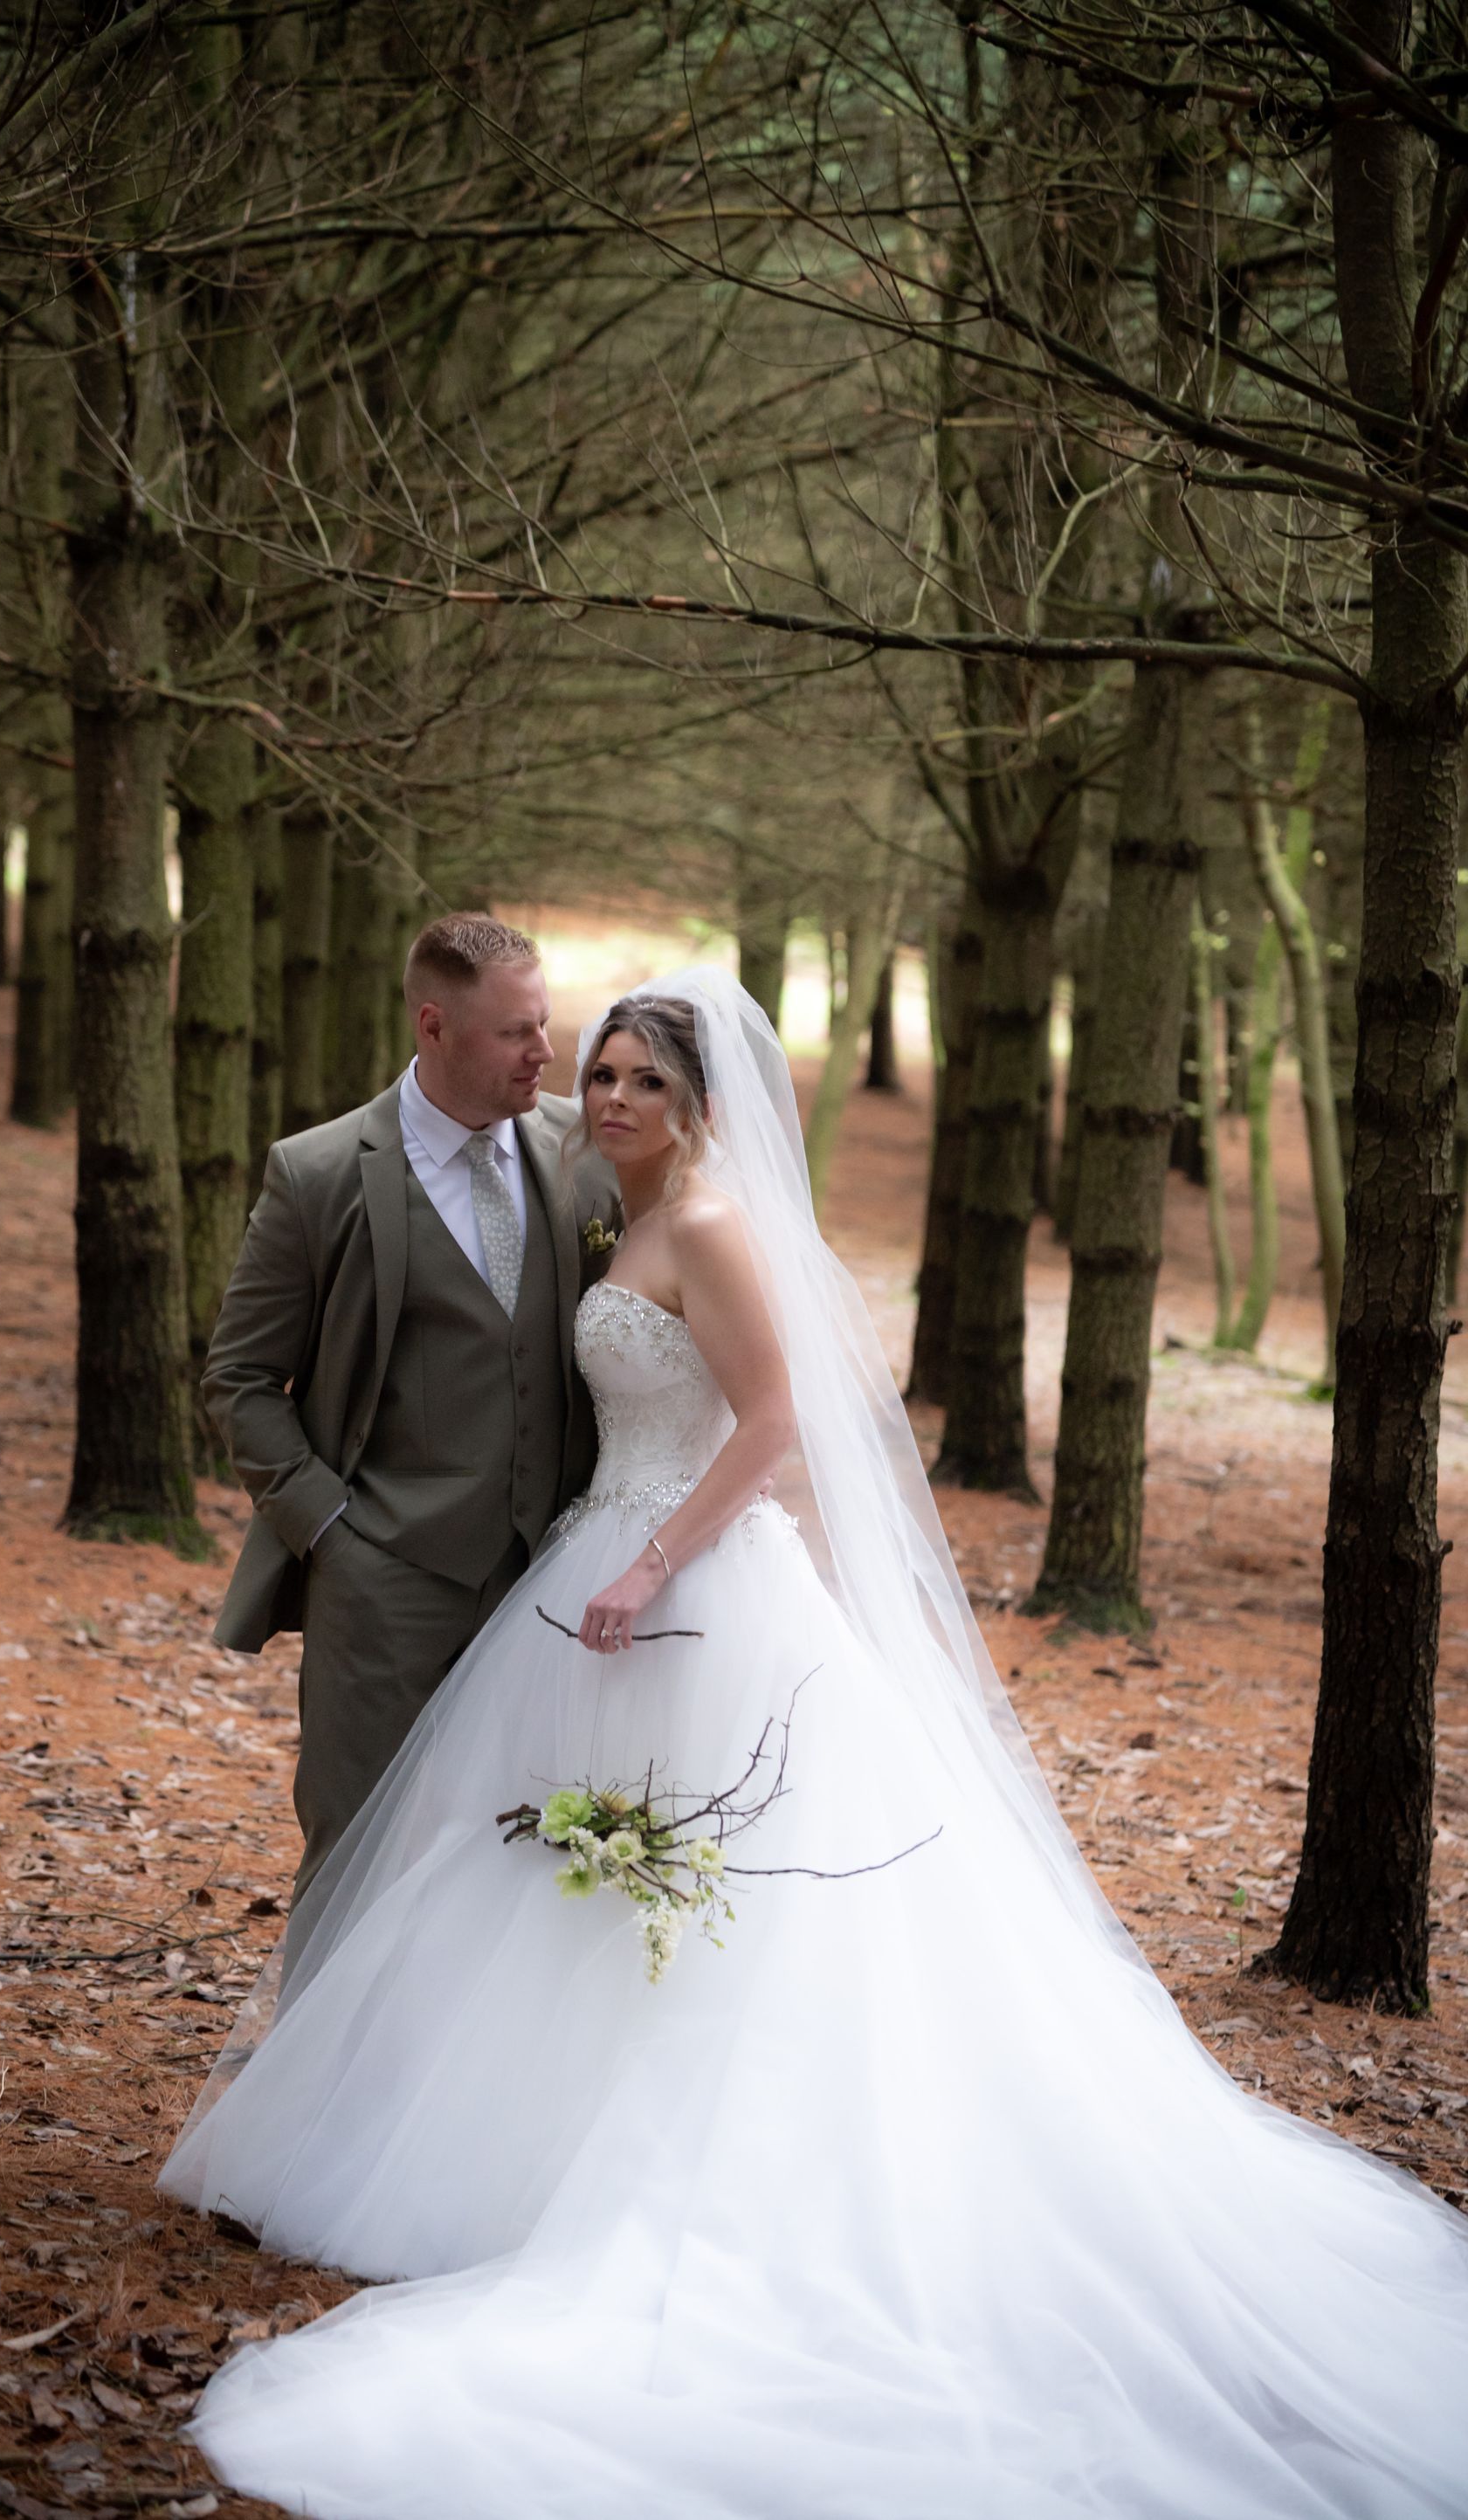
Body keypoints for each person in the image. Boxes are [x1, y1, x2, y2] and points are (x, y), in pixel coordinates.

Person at [162, 970, 1468, 2519]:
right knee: (558, 1882)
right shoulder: (608, 1201)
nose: (617, 1097)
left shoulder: (707, 1222)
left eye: (647, 1078)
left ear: (705, 1102)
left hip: (693, 1589)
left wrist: (653, 1567)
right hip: (592, 1573)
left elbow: (774, 1421)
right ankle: (518, 2157)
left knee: (736, 1898)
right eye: (606, 1072)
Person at [200, 911, 618, 1934]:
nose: (547, 1052)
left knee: (533, 1864)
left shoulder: (583, 1153)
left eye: (545, 1023)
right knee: (357, 1865)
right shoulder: (321, 1173)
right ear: (433, 1027)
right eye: (516, 1032)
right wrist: (332, 1533)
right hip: (382, 1585)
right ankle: (327, 2098)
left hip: (550, 1588)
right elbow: (241, 1377)